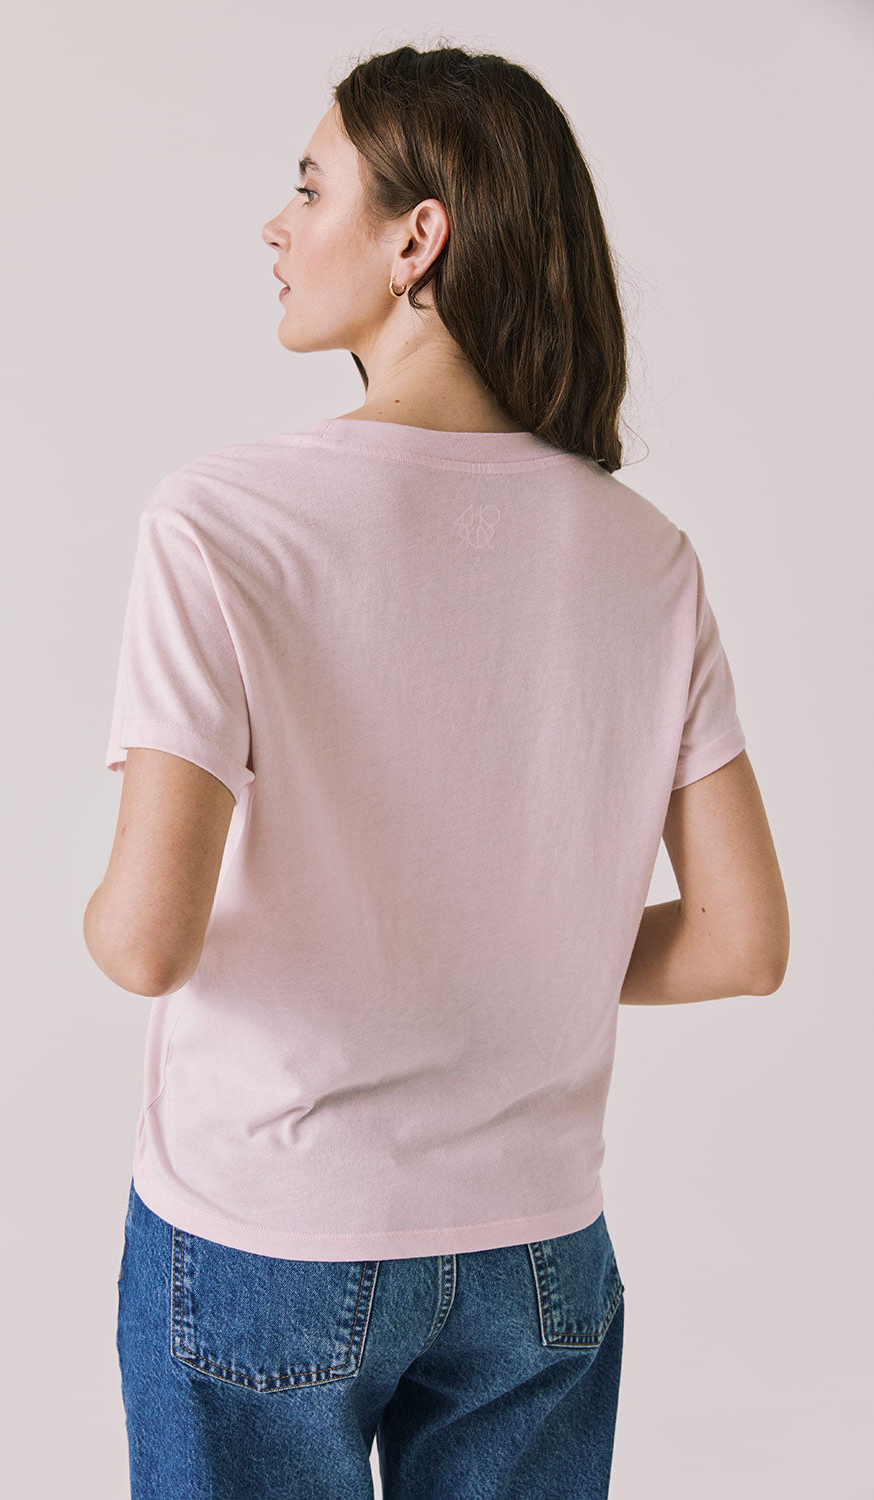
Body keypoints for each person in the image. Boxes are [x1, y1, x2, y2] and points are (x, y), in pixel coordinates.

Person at [88, 41, 790, 1500]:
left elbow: (145, 938)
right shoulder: (646, 559)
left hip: (271, 1228)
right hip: (539, 1252)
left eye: (309, 184)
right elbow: (741, 940)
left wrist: (78, 908)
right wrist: (509, 949)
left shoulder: (225, 522)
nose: (275, 226)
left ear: (420, 239)